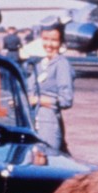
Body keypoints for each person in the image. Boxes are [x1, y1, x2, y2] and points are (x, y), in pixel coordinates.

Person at [27, 21, 75, 152]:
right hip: (32, 123)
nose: (49, 44)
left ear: (61, 42)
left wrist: (36, 100)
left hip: (49, 126)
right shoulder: (40, 64)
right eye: (45, 39)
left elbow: (66, 100)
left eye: (54, 40)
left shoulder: (62, 64)